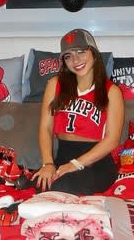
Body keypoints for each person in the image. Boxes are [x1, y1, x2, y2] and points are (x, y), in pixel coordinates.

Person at [31, 28, 124, 195]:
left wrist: (75, 164)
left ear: (94, 53)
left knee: (61, 187)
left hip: (96, 163)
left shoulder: (112, 91)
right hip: (63, 157)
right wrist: (48, 164)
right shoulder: (55, 84)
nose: (75, 60)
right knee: (34, 184)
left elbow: (112, 140)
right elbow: (45, 128)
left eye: (81, 52)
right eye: (68, 56)